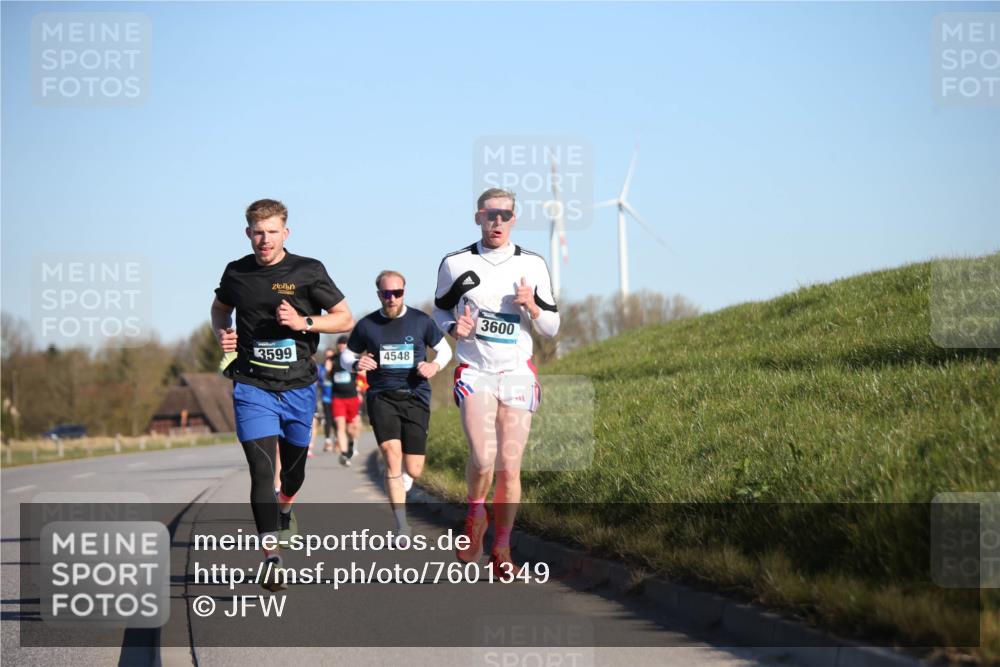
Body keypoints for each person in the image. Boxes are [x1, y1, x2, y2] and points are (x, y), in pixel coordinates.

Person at [212, 198, 353, 591]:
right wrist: (222, 334)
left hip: (299, 387)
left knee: (293, 474)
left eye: (272, 232)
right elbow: (219, 308)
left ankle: (286, 506)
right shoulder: (237, 273)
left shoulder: (308, 271)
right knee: (260, 469)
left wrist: (304, 321)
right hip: (252, 384)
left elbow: (345, 317)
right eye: (258, 232)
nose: (264, 239)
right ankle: (271, 557)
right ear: (248, 234)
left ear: (285, 233)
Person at [433, 188, 560, 575]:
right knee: (484, 457)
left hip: (518, 372)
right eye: (491, 215)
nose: (498, 222)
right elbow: (437, 315)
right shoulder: (455, 264)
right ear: (478, 218)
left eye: (505, 215)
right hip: (475, 370)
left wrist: (533, 306)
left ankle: (502, 552)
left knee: (509, 465)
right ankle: (475, 514)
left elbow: (552, 328)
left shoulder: (533, 264)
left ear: (514, 219)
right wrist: (456, 326)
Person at [340, 270, 452, 544]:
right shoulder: (367, 325)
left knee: (413, 469)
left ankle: (402, 482)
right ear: (379, 294)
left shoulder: (420, 321)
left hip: (415, 395)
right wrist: (356, 364)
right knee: (391, 454)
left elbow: (445, 350)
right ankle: (401, 526)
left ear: (404, 292)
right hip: (382, 396)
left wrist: (434, 365)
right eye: (386, 293)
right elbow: (346, 355)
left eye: (397, 293)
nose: (391, 298)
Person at [330, 335, 362, 466]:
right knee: (340, 425)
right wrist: (327, 369)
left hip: (352, 397)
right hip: (337, 397)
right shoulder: (332, 360)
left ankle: (350, 443)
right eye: (340, 344)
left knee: (351, 428)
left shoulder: (354, 359)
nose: (342, 346)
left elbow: (363, 375)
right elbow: (325, 376)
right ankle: (343, 454)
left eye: (345, 344)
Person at [318, 348, 335, 452]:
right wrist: (327, 371)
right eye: (327, 356)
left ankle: (338, 440)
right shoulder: (320, 368)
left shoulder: (338, 367)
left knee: (336, 419)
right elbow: (319, 381)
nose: (328, 359)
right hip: (326, 397)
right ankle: (328, 440)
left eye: (331, 357)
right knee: (328, 418)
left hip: (337, 397)